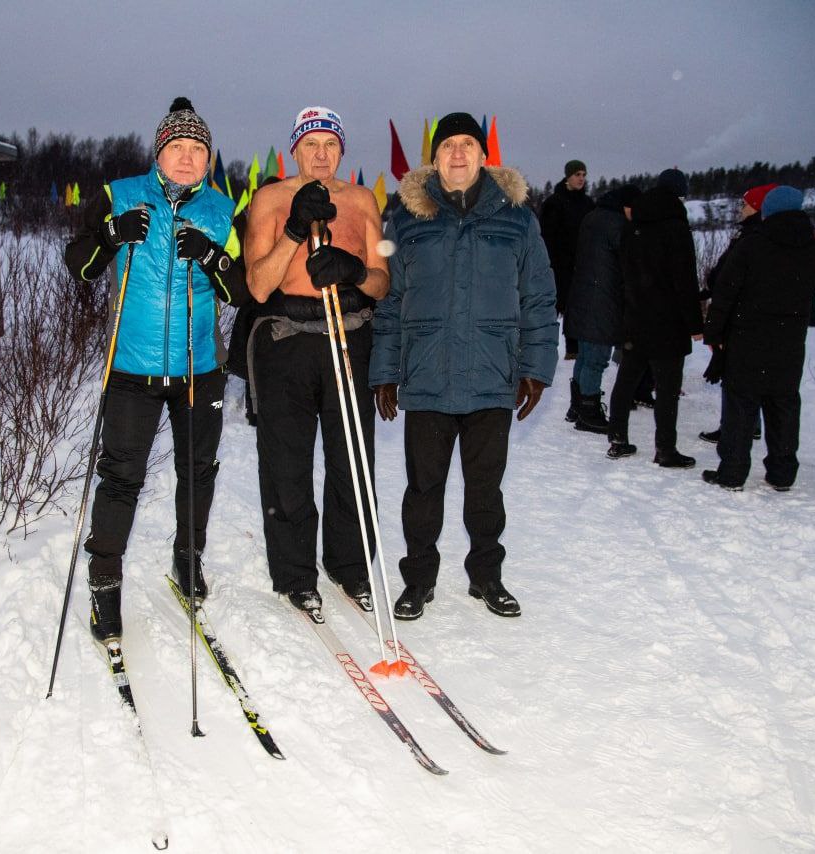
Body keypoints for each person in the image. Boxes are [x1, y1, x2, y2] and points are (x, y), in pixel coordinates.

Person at [63, 98, 248, 642]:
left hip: (198, 364)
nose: (187, 158)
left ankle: (188, 560)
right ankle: (104, 585)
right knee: (121, 477)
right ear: (159, 152)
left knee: (198, 470)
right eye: (178, 148)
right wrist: (110, 235)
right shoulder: (119, 195)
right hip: (132, 365)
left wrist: (213, 258)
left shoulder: (220, 209)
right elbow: (78, 264)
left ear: (207, 157)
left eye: (198, 150)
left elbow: (241, 290)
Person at [369, 112, 558, 620]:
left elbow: (539, 297)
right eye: (448, 144)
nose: (457, 153)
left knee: (485, 490)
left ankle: (487, 577)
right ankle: (419, 581)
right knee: (423, 490)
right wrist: (385, 371)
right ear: (435, 157)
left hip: (491, 374)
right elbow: (391, 299)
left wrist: (536, 367)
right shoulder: (406, 218)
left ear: (483, 154)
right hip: (427, 374)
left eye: (467, 144)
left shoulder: (517, 217)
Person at [243, 107, 389, 611]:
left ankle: (349, 566)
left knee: (352, 456)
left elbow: (382, 282)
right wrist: (294, 230)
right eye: (311, 144)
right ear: (294, 150)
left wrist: (352, 270)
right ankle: (295, 572)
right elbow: (258, 285)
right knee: (287, 460)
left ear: (342, 151)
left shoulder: (362, 199)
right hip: (288, 339)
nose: (321, 153)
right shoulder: (270, 197)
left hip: (350, 335)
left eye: (330, 143)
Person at [701, 186, 815, 491]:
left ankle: (732, 472)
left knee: (741, 404)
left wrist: (714, 334)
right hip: (789, 340)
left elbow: (725, 291)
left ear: (767, 211)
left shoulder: (752, 243)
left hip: (747, 336)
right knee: (783, 403)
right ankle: (782, 474)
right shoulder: (813, 244)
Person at [606, 168, 702, 467]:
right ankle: (665, 448)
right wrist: (696, 324)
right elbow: (685, 279)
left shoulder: (633, 225)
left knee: (626, 380)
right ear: (679, 194)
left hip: (636, 314)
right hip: (668, 320)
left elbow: (622, 272)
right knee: (667, 388)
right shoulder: (675, 227)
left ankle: (618, 439)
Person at [697, 182, 777, 444]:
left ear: (758, 207)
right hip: (760, 318)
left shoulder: (751, 238)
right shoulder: (762, 236)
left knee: (735, 374)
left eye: (745, 204)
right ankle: (750, 424)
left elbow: (728, 275)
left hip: (740, 315)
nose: (741, 208)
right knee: (753, 374)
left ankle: (735, 426)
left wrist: (714, 287)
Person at [562, 184, 641, 433]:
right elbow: (626, 263)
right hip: (602, 301)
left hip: (584, 296)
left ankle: (577, 406)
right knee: (596, 359)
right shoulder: (618, 225)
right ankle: (589, 411)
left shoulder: (592, 217)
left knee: (585, 356)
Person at [539, 159, 595, 361]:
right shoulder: (554, 203)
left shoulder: (588, 204)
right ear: (568, 177)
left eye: (583, 175)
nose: (581, 178)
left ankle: (573, 348)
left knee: (577, 309)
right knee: (551, 309)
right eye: (577, 175)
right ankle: (542, 349)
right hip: (557, 265)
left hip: (581, 266)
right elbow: (546, 236)